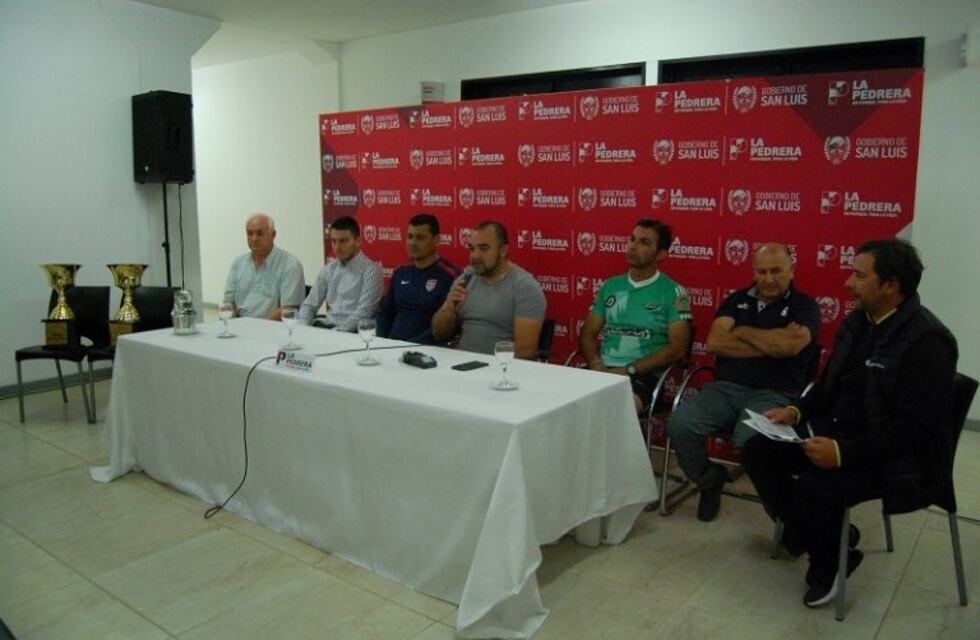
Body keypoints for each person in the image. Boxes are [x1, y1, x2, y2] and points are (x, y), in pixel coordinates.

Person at [741, 238, 957, 608]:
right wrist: (796, 411)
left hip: (898, 457)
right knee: (758, 451)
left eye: (859, 275)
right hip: (840, 433)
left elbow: (912, 431)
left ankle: (829, 566)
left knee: (815, 486)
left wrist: (841, 453)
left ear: (891, 285)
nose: (847, 283)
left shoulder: (928, 342)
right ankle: (815, 533)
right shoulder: (859, 321)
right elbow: (829, 383)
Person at [667, 243, 821, 522]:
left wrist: (741, 331)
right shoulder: (736, 299)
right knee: (681, 423)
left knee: (750, 441)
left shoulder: (805, 306)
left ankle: (787, 512)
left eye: (776, 271)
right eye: (762, 272)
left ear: (791, 271)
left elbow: (789, 346)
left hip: (776, 393)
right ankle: (709, 479)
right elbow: (716, 342)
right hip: (725, 388)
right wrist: (772, 343)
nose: (768, 279)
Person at [580, 219, 692, 412]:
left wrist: (629, 369)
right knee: (558, 402)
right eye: (632, 239)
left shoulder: (674, 292)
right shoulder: (610, 285)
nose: (633, 246)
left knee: (611, 409)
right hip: (601, 370)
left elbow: (678, 348)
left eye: (644, 242)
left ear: (661, 254)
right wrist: (595, 363)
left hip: (643, 376)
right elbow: (587, 334)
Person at [431, 220, 546, 358]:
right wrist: (450, 307)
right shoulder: (465, 280)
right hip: (461, 364)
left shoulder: (525, 287)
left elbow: (525, 350)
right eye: (472, 249)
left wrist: (487, 364)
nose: (475, 256)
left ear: (503, 251)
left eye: (484, 248)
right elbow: (438, 333)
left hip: (500, 366)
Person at [376, 213, 461, 344]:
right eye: (410, 237)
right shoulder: (400, 272)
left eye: (420, 238)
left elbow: (449, 327)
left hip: (429, 349)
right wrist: (380, 342)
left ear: (436, 240)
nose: (412, 243)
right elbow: (386, 313)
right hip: (393, 346)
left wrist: (410, 346)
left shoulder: (451, 276)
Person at [297, 216, 382, 331]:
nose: (337, 247)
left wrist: (335, 333)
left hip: (352, 333)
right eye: (334, 241)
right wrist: (302, 329)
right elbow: (309, 305)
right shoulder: (328, 270)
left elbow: (363, 314)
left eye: (343, 241)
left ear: (358, 241)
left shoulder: (371, 272)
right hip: (326, 326)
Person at [223, 214, 305, 320]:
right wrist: (230, 320)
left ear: (273, 235)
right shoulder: (238, 263)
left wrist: (259, 327)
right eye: (250, 233)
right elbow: (228, 302)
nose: (254, 239)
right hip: (240, 324)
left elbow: (288, 309)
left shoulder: (290, 265)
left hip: (272, 326)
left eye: (260, 233)